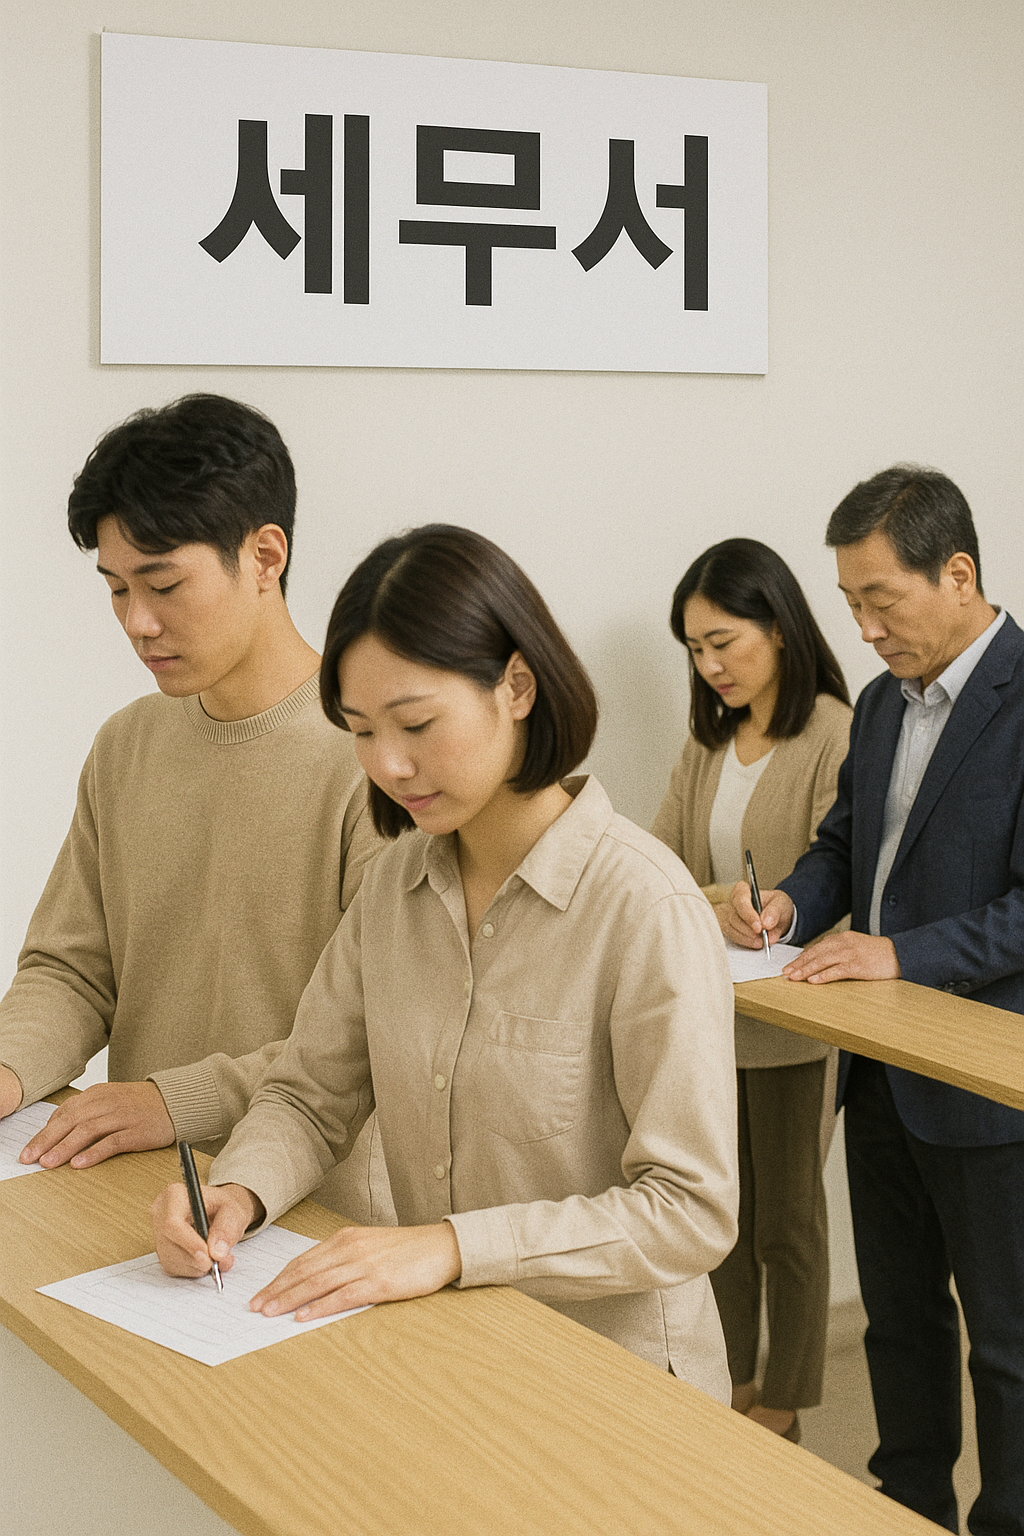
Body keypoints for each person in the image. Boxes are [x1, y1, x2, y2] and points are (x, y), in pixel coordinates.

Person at [151, 523, 739, 1397]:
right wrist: (235, 1194)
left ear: (517, 685)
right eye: (360, 731)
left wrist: (454, 1244)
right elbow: (311, 1096)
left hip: (618, 1386)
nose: (388, 764)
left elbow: (689, 1210)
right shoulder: (393, 892)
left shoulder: (643, 905)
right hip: (454, 1359)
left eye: (417, 723)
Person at [0, 393, 393, 1226]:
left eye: (164, 584)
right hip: (139, 1194)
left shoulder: (378, 761)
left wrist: (172, 1101)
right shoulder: (127, 744)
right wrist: (9, 1068)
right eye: (115, 591)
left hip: (318, 1217)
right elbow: (71, 969)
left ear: (264, 554)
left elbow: (375, 1036)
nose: (138, 623)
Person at [724, 466, 1024, 1535]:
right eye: (848, 602)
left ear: (957, 575)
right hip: (880, 1069)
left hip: (988, 1083)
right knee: (897, 1321)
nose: (860, 628)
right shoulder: (884, 703)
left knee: (1003, 1341)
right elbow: (848, 847)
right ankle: (907, 1507)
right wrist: (787, 914)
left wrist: (897, 954)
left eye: (878, 601)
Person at [652, 538, 851, 1442]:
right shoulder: (708, 742)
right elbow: (659, 867)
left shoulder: (833, 733)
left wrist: (770, 912)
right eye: (695, 648)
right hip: (713, 1016)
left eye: (724, 641)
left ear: (778, 626)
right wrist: (717, 904)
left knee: (790, 1227)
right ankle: (730, 1381)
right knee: (718, 1218)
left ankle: (784, 1401)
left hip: (800, 1018)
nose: (711, 665)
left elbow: (833, 874)